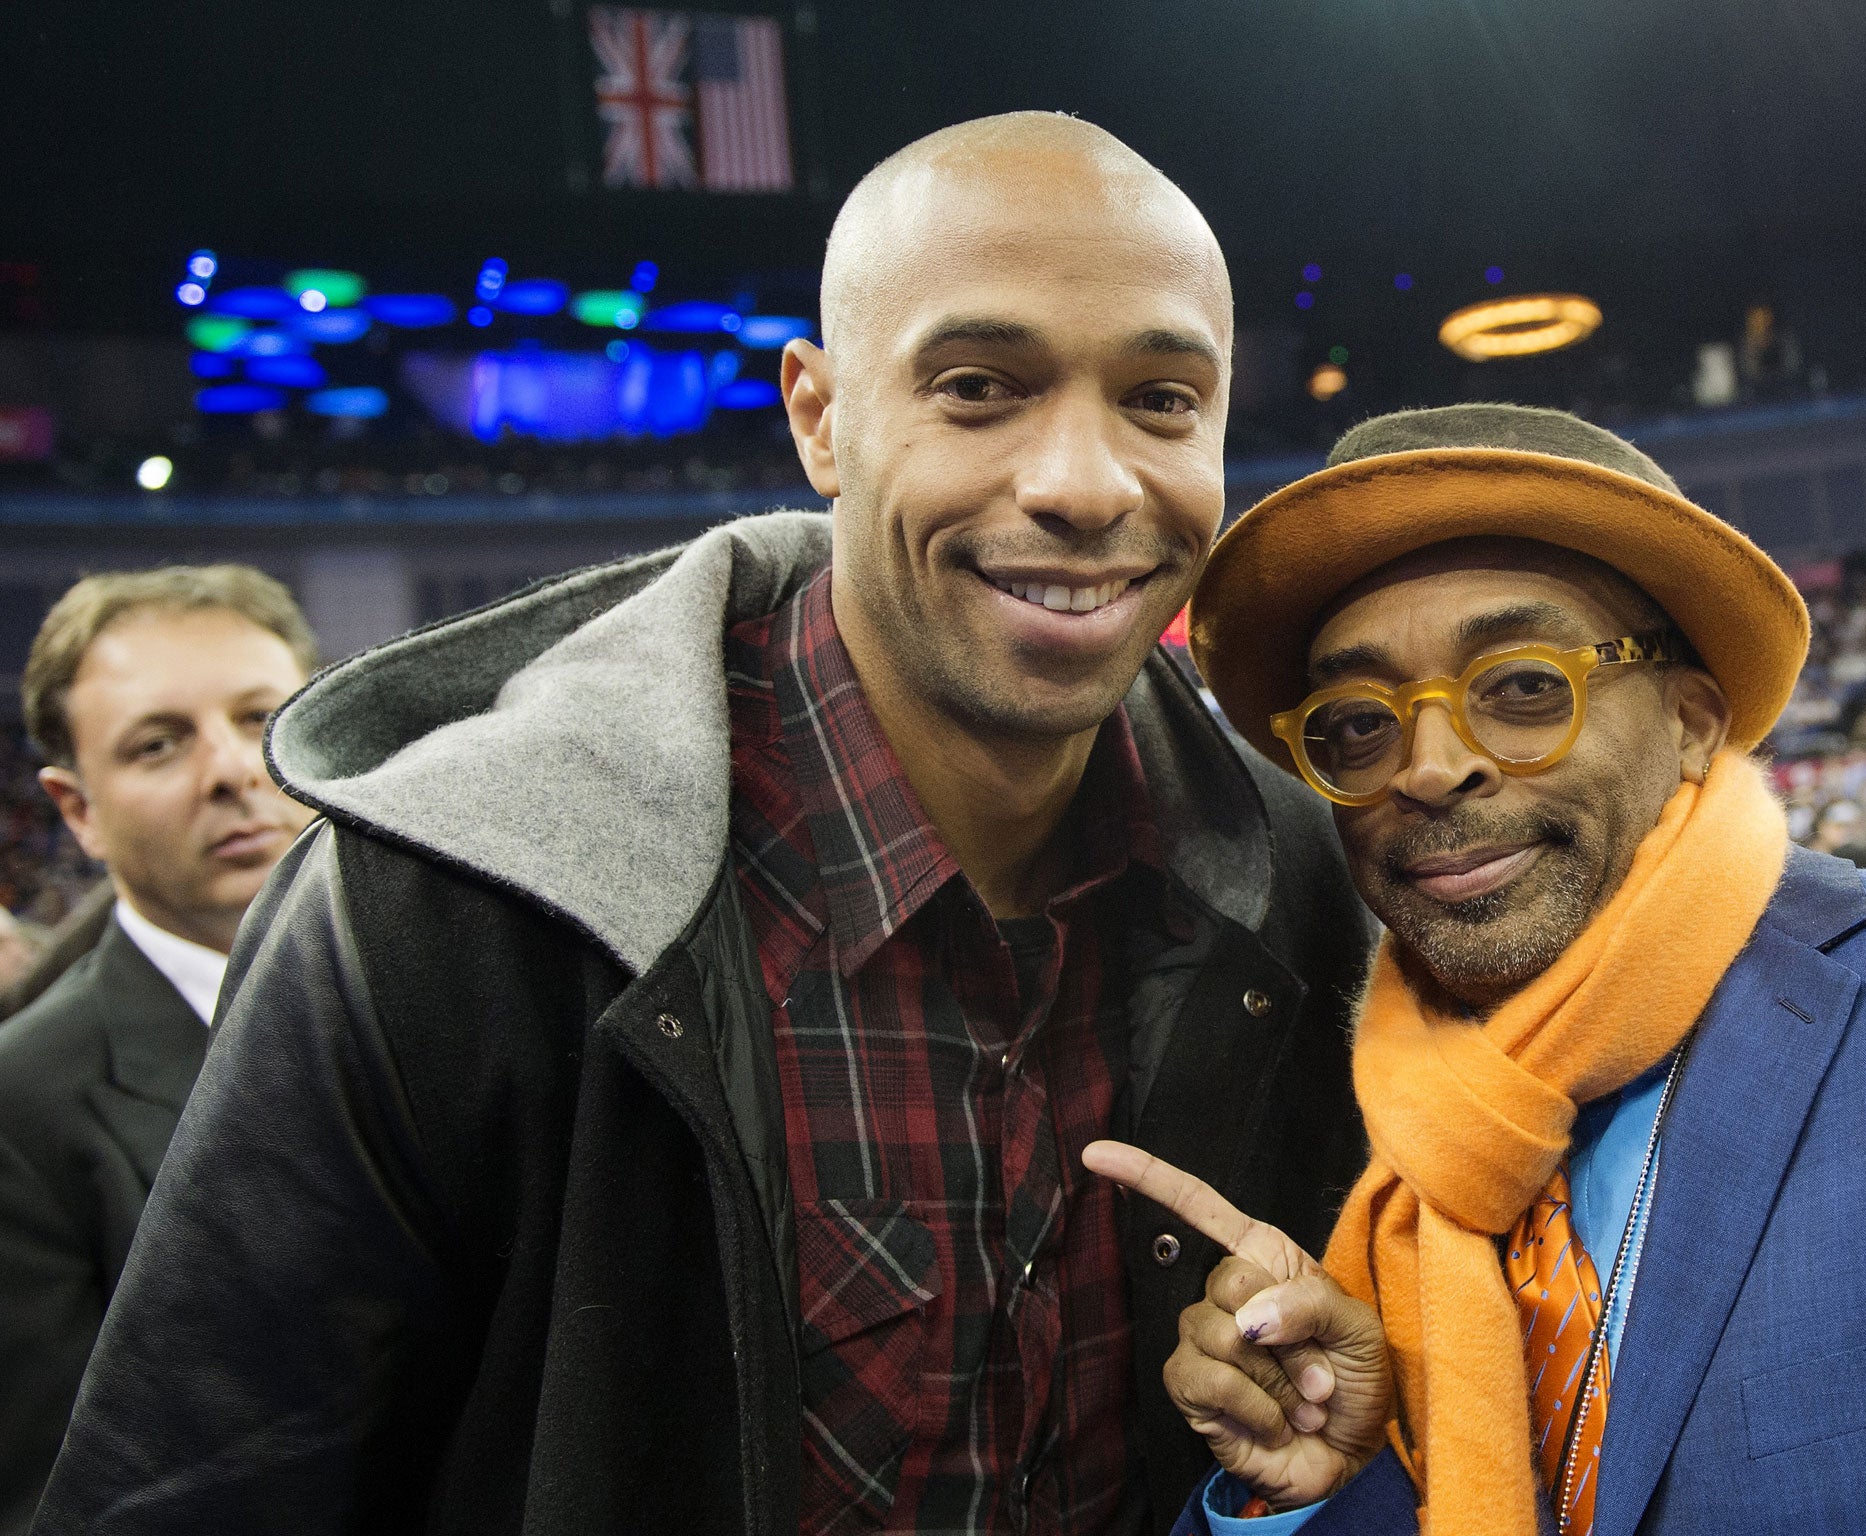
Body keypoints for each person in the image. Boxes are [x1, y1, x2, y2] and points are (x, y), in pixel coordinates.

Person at [32, 114, 1375, 1536]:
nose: (1085, 483)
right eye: (980, 387)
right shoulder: (442, 911)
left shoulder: (1284, 877)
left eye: (1163, 400)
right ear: (818, 418)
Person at [1089, 404, 1866, 1535]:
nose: (1431, 767)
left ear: (1691, 722)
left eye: (1524, 687)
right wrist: (1316, 1490)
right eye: (1355, 723)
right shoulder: (1335, 1146)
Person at [0, 566, 319, 1533]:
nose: (230, 770)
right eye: (157, 744)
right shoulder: (23, 1105)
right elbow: (54, 1500)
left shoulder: (483, 1006)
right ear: (77, 811)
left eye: (261, 716)